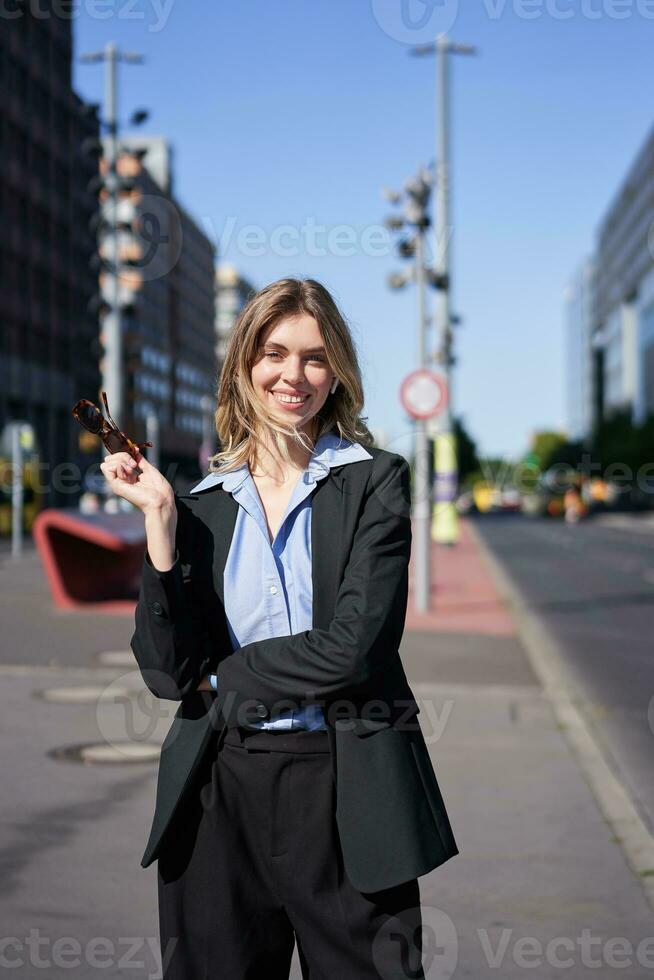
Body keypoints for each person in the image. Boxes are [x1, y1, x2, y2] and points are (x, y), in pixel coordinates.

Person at [101, 277, 459, 980]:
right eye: (274, 353)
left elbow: (357, 646)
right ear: (244, 366)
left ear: (337, 373)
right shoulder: (202, 503)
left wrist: (224, 679)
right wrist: (161, 526)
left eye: (315, 357)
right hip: (219, 790)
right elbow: (168, 673)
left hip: (347, 786)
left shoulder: (374, 483)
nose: (293, 375)